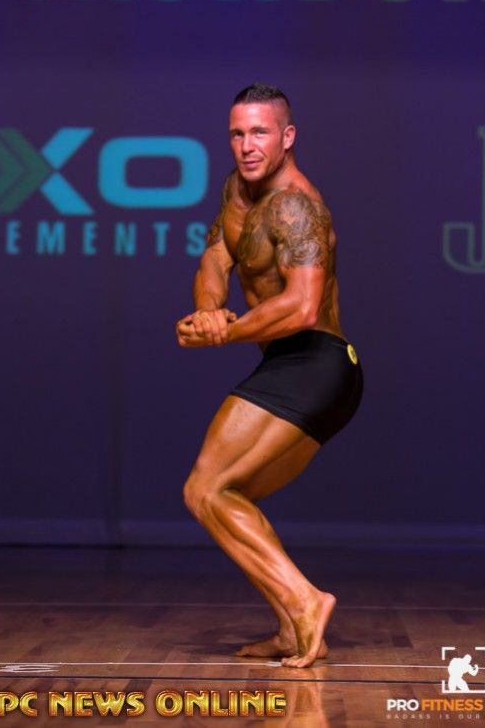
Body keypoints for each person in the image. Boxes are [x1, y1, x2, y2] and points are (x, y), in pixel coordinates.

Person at [176, 84, 363, 668]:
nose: (247, 146)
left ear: (288, 136)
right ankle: (293, 627)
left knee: (205, 489)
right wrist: (209, 311)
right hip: (297, 367)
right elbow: (215, 258)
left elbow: (303, 307)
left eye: (260, 132)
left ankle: (306, 601)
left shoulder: (296, 205)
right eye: (237, 133)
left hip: (314, 361)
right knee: (226, 499)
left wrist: (224, 333)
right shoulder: (237, 190)